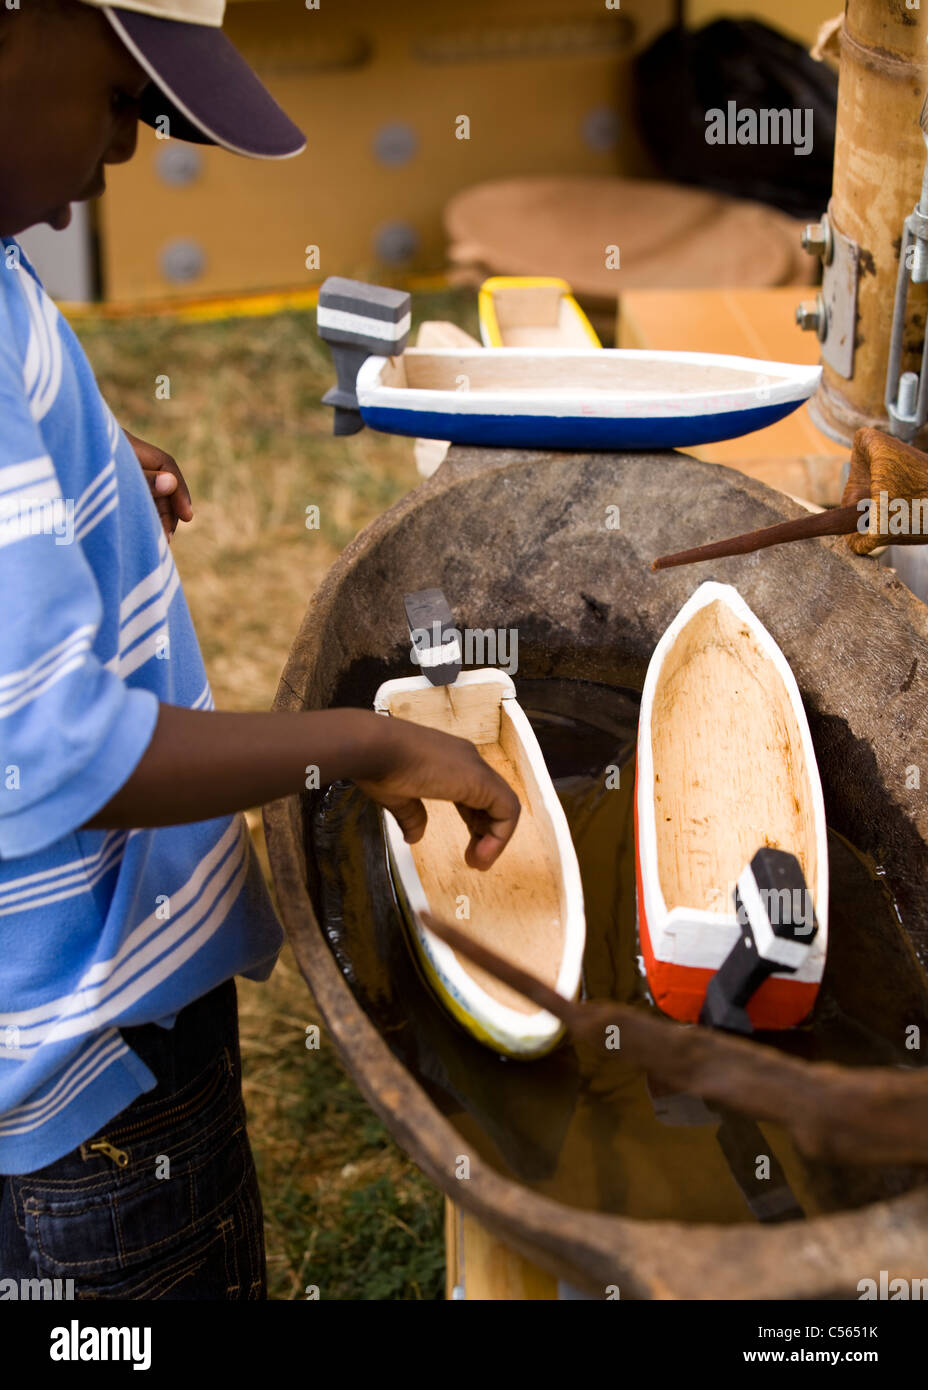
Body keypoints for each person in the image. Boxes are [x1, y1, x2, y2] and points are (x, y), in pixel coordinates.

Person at [0, 0, 519, 1299]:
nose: (126, 152)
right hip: (98, 1059)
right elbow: (53, 750)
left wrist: (81, 474)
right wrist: (370, 742)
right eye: (126, 99)